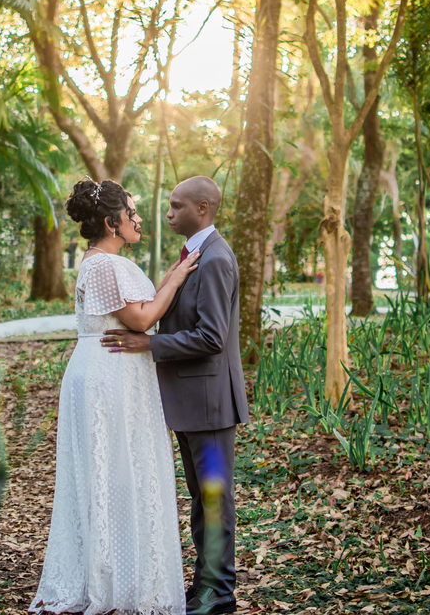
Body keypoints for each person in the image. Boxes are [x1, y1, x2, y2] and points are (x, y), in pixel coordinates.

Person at [31, 179, 201, 615]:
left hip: (119, 371)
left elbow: (138, 309)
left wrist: (170, 277)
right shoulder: (103, 265)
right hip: (107, 376)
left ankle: (123, 569)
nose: (138, 219)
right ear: (111, 222)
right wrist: (176, 279)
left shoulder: (108, 262)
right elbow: (140, 320)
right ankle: (114, 579)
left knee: (124, 469)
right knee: (115, 471)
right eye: (131, 212)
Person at [104, 176, 249, 615]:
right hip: (191, 403)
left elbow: (212, 337)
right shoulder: (194, 256)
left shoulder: (216, 259)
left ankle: (218, 593)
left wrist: (150, 343)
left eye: (176, 206)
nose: (168, 214)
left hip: (211, 404)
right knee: (201, 500)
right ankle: (205, 585)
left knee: (214, 500)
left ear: (202, 208)